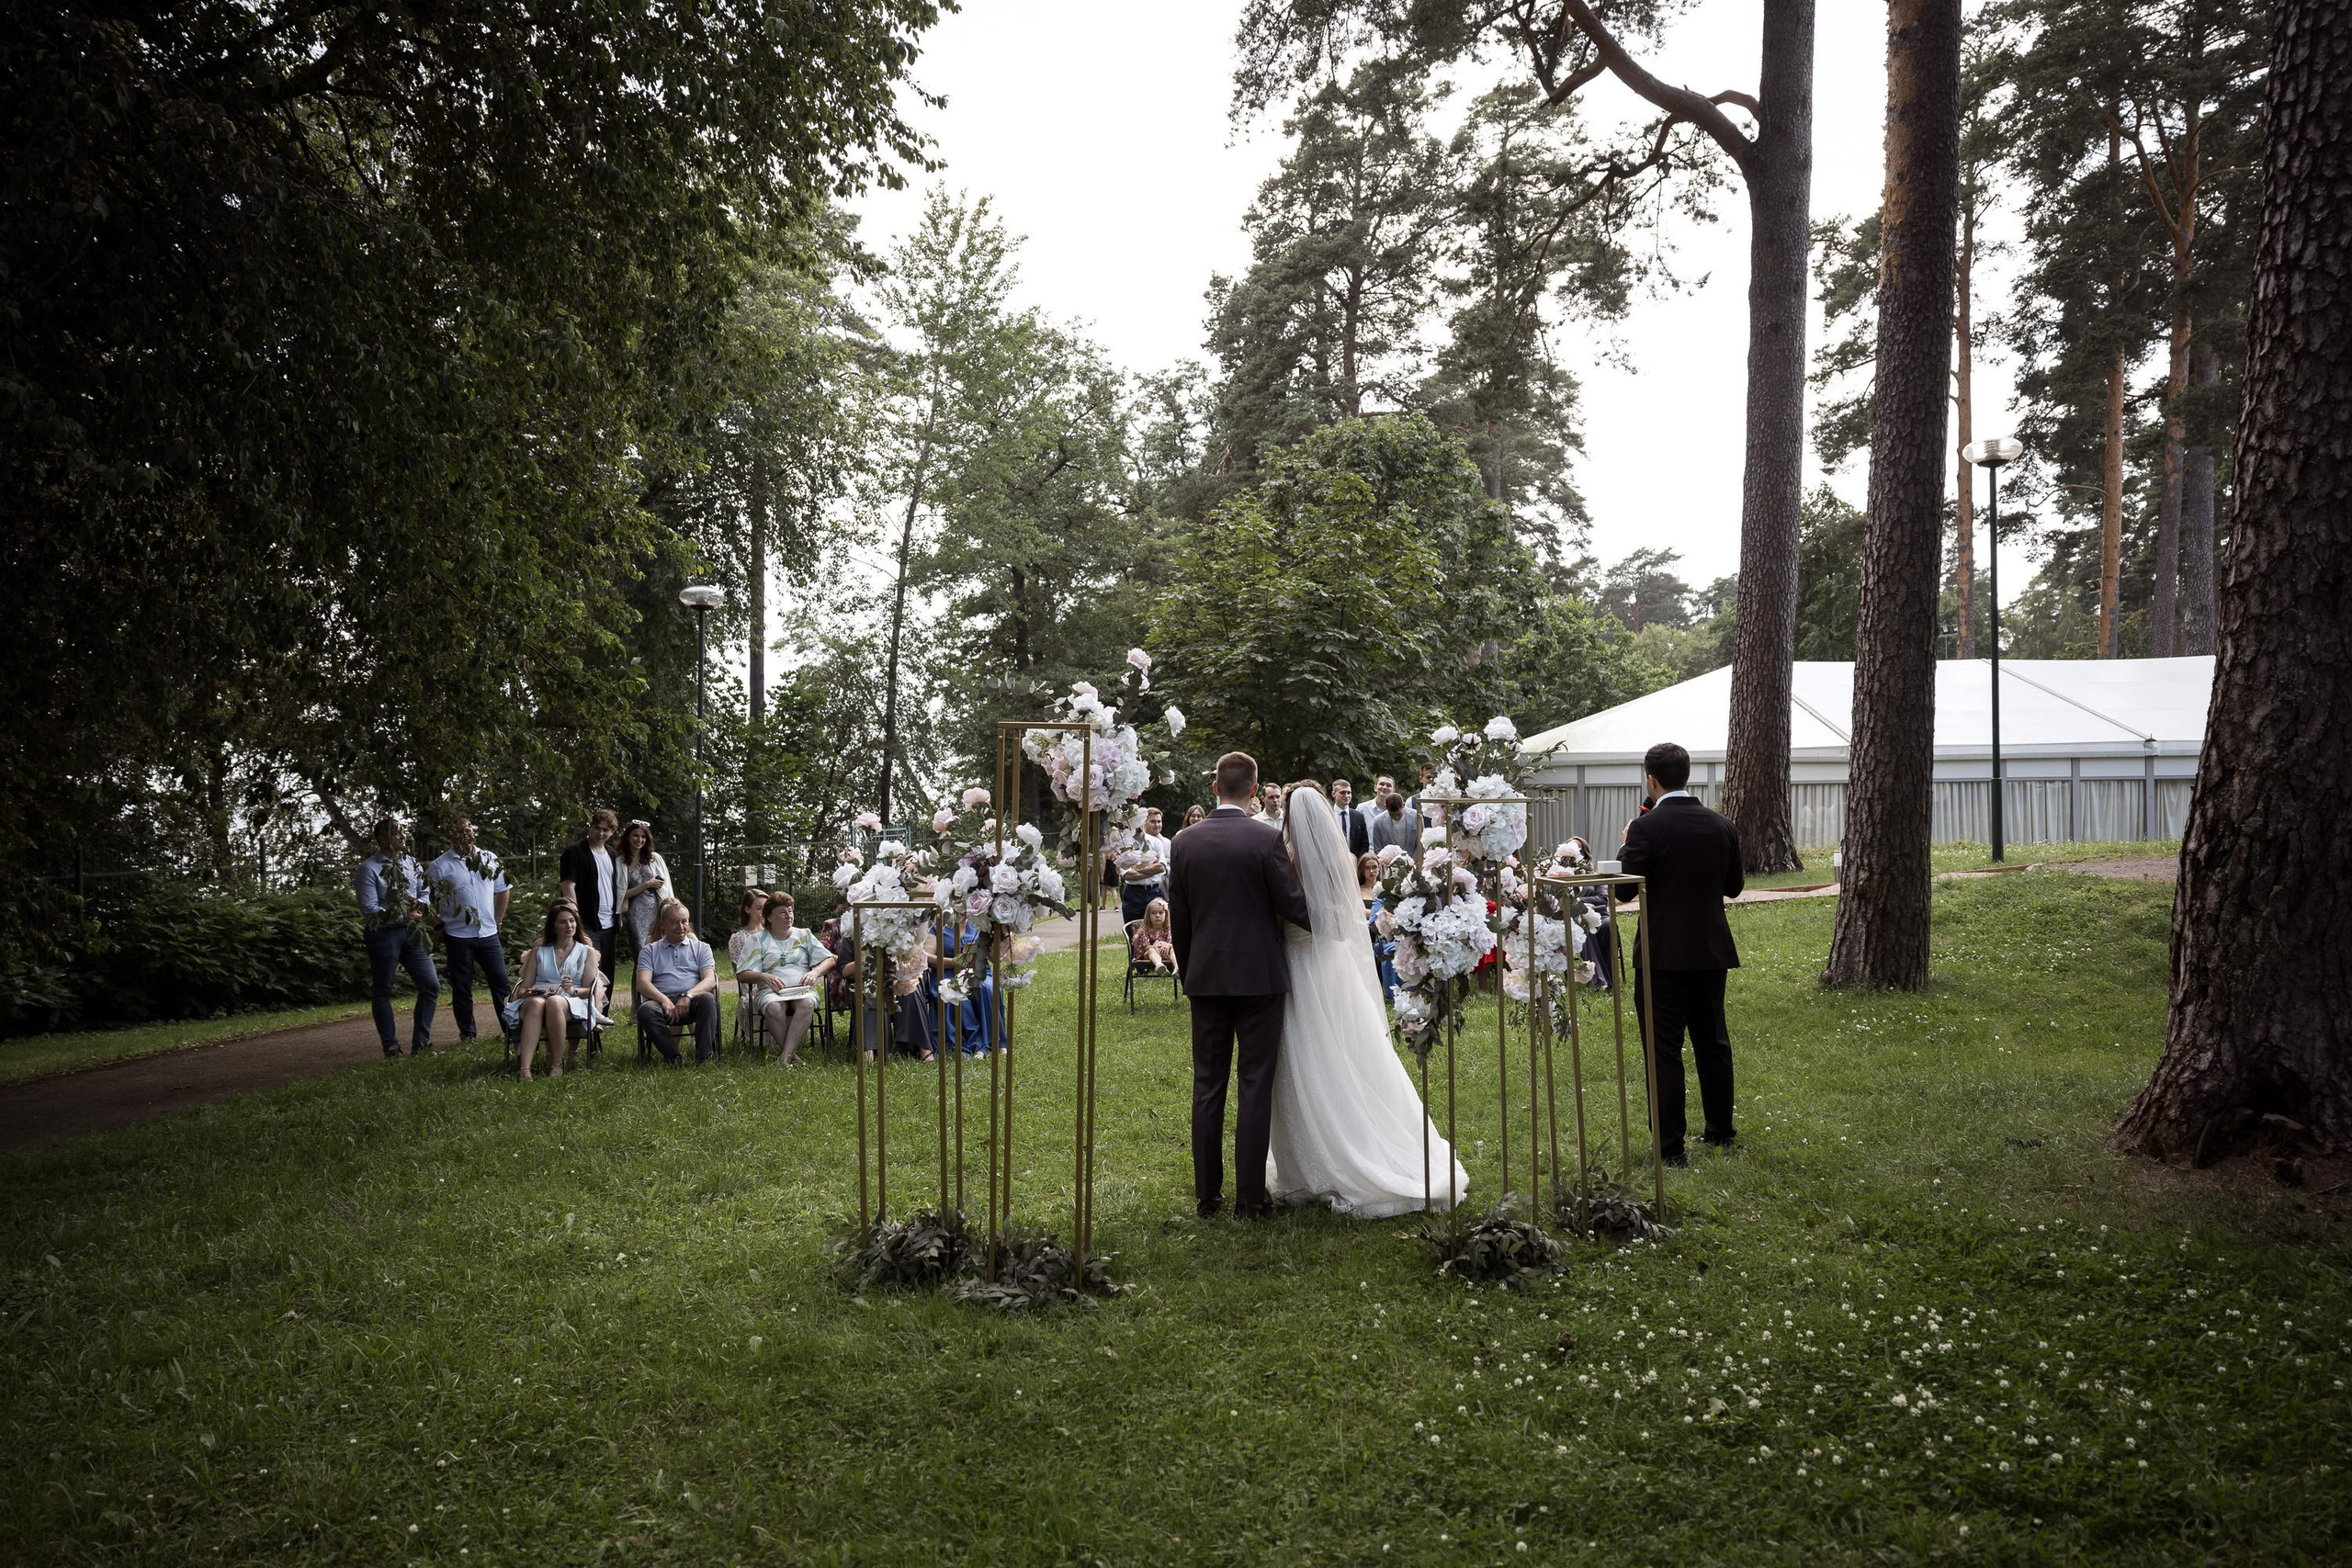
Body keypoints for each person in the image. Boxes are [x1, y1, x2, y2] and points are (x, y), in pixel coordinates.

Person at [1262, 784, 1468, 1215]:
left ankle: (1319, 1161)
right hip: (1334, 966)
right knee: (1348, 1051)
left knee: (1307, 1054)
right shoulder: (1340, 860)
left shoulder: (1287, 861)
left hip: (1300, 966)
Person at [1167, 751, 1313, 1219]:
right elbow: (1293, 906)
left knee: (1207, 1084)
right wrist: (1335, 912)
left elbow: (1179, 920)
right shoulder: (1266, 838)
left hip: (1206, 977)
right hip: (1259, 978)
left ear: (1214, 788)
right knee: (1255, 1083)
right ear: (1254, 791)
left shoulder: (1182, 843)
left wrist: (1190, 972)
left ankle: (1207, 1195)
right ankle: (1249, 1199)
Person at [1619, 740, 1744, 1167]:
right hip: (1711, 949)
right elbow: (1734, 887)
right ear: (1686, 775)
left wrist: (1627, 844)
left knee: (1664, 1050)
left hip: (1662, 954)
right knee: (1713, 1042)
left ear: (1651, 780)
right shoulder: (1722, 824)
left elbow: (1623, 891)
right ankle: (1720, 1131)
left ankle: (1670, 1148)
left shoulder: (1646, 828)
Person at [355, 817, 439, 1058]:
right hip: (383, 935)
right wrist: (405, 915)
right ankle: (391, 1046)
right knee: (384, 989)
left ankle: (421, 1043)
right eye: (396, 832)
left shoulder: (411, 863)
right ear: (382, 839)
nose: (402, 836)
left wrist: (420, 904)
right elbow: (370, 910)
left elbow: (425, 892)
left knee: (431, 985)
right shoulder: (369, 869)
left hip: (412, 933)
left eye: (403, 831)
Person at [428, 816, 511, 1044]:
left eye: (469, 830)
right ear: (451, 835)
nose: (467, 834)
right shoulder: (439, 866)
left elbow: (503, 889)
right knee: (462, 987)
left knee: (501, 983)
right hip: (457, 935)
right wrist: (437, 924)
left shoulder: (489, 858)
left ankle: (511, 1029)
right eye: (461, 831)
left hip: (488, 934)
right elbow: (425, 900)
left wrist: (498, 921)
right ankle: (468, 1034)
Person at [506, 901, 604, 1079]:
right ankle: (525, 1068)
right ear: (553, 927)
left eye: (572, 921)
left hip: (571, 1001)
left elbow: (589, 990)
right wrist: (529, 992)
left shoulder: (586, 952)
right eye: (563, 922)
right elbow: (524, 988)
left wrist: (572, 990)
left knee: (555, 1001)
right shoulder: (539, 952)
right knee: (537, 1003)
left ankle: (557, 1063)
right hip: (538, 999)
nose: (569, 926)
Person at [738, 893, 831, 1066]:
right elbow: (742, 974)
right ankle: (790, 1057)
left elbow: (830, 960)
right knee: (774, 1008)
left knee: (807, 1004)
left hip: (802, 989)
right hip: (771, 991)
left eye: (790, 911)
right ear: (769, 917)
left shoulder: (804, 935)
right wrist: (763, 976)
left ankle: (785, 1058)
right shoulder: (757, 940)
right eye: (782, 912)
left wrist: (815, 972)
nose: (789, 916)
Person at [633, 898, 719, 1065]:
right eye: (674, 922)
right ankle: (673, 1057)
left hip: (693, 999)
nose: (680, 926)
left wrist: (688, 996)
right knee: (646, 1010)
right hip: (661, 1001)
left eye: (684, 921)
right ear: (662, 924)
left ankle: (703, 1058)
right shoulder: (649, 950)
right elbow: (642, 983)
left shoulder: (701, 948)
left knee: (708, 999)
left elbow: (710, 980)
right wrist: (664, 1000)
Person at [558, 810, 628, 980]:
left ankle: (605, 1000)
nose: (601, 833)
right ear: (590, 827)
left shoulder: (613, 854)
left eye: (606, 830)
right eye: (598, 828)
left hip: (610, 923)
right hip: (586, 922)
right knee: (590, 971)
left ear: (612, 832)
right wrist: (575, 917)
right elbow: (568, 885)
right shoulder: (574, 852)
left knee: (607, 973)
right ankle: (586, 999)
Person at [617, 820, 672, 957]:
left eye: (643, 836)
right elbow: (620, 894)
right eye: (636, 835)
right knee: (641, 954)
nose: (639, 839)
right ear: (628, 837)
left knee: (661, 953)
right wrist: (647, 884)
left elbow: (666, 889)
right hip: (636, 915)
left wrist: (667, 912)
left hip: (657, 911)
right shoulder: (620, 862)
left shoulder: (655, 859)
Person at [1119, 807, 1172, 927]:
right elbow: (1127, 875)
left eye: (1139, 822)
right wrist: (1152, 869)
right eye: (1134, 822)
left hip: (1154, 892)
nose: (1138, 826)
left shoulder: (1156, 842)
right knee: (1133, 930)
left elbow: (1161, 868)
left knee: (1156, 930)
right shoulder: (1125, 844)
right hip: (1133, 893)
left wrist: (1137, 869)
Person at [1358, 852, 1399, 1003]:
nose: (1371, 871)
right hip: (1364, 928)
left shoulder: (1386, 889)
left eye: (1374, 867)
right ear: (1362, 870)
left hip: (1384, 929)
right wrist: (1378, 914)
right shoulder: (1358, 890)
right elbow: (1358, 909)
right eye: (1367, 868)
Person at [1131, 897, 1178, 974]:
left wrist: (1167, 945)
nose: (1157, 915)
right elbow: (1145, 947)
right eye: (1153, 913)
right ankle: (1159, 965)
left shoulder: (1169, 929)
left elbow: (1175, 944)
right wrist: (1155, 946)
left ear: (1166, 914)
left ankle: (1177, 967)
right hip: (1148, 956)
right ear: (1148, 916)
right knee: (1151, 950)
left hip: (1166, 952)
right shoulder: (1145, 930)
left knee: (1173, 950)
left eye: (1161, 913)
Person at [726, 886, 768, 972]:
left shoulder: (773, 933)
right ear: (747, 909)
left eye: (766, 908)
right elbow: (740, 971)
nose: (763, 912)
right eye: (759, 908)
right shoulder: (738, 938)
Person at [1329, 779, 1371, 856]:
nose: (1346, 796)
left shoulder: (1359, 816)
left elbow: (1364, 843)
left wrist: (1358, 860)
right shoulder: (1328, 815)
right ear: (1333, 794)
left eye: (1349, 793)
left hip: (1354, 860)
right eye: (1342, 793)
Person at [1368, 792, 1418, 858]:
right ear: (1386, 807)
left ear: (1403, 805)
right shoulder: (1378, 821)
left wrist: (1412, 861)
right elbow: (1378, 849)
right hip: (1388, 862)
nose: (1396, 817)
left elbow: (1420, 843)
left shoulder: (1416, 816)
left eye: (1399, 814)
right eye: (1392, 815)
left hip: (1413, 860)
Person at [1359, 774, 1397, 838]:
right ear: (1375, 788)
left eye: (1388, 785)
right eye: (1382, 784)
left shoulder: (1397, 812)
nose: (1384, 787)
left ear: (1393, 791)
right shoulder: (1362, 808)